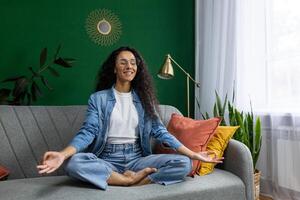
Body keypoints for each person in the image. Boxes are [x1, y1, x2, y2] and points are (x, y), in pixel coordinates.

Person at [37, 46, 223, 190]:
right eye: (123, 62)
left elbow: (160, 132)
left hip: (137, 158)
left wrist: (193, 154)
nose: (129, 66)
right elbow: (88, 132)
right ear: (114, 69)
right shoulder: (98, 99)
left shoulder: (145, 100)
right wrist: (62, 154)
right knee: (74, 163)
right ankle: (126, 181)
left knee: (184, 164)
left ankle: (136, 182)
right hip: (107, 158)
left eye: (133, 62)